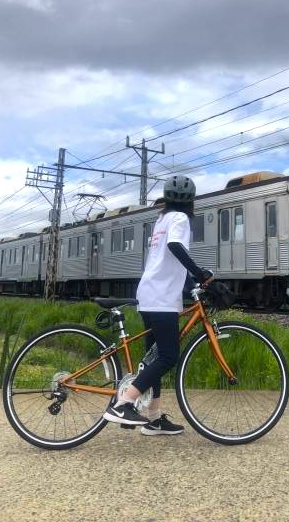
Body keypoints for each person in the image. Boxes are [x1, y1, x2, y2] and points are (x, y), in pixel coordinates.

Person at [104, 175, 213, 434]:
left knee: (154, 360)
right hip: (161, 298)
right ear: (191, 201)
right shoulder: (181, 219)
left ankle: (152, 419)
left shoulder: (162, 219)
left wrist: (188, 284)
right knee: (168, 356)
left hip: (150, 294)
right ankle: (125, 402)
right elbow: (175, 246)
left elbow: (167, 259)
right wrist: (199, 273)